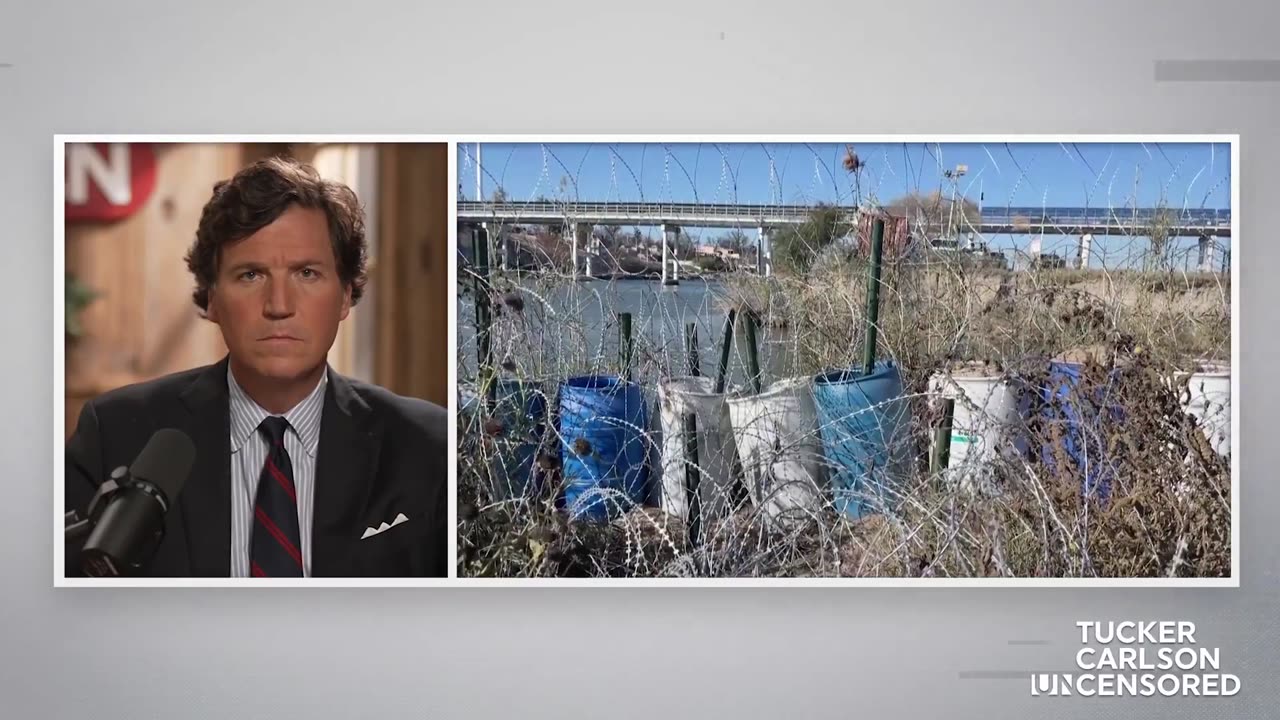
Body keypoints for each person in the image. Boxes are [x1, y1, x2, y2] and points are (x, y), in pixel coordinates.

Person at [65, 156, 448, 578]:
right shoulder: (117, 433)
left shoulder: (429, 445)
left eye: (306, 272)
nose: (279, 306)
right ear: (211, 298)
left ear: (344, 295)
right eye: (251, 275)